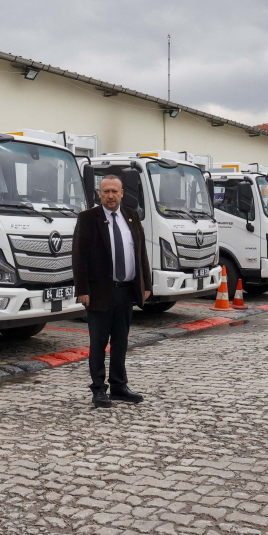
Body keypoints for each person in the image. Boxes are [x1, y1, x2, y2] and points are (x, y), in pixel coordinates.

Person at [72, 174, 152, 409]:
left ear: (122, 193)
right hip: (98, 293)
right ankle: (98, 390)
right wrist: (82, 289)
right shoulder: (88, 218)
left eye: (114, 191)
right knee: (98, 343)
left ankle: (119, 386)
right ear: (99, 194)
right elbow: (79, 256)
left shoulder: (131, 215)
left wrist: (146, 284)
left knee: (121, 341)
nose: (110, 195)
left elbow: (141, 254)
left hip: (126, 291)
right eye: (106, 191)